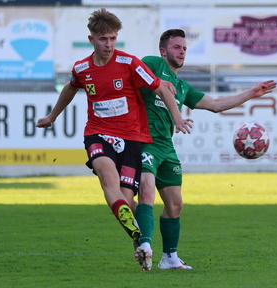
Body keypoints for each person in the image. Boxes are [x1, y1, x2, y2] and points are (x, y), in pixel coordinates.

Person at [36, 9, 193, 255]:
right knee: (106, 175)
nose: (108, 44)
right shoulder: (82, 68)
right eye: (103, 39)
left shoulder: (129, 63)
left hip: (131, 139)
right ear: (92, 40)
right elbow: (70, 87)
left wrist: (177, 117)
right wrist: (52, 116)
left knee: (128, 199)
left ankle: (139, 239)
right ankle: (138, 234)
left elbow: (160, 89)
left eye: (112, 38)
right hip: (98, 133)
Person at [133, 29, 277, 271]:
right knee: (147, 189)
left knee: (175, 205)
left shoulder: (182, 86)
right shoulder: (153, 64)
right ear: (163, 51)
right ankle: (145, 246)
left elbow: (216, 105)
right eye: (176, 47)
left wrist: (252, 93)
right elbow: (133, 77)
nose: (181, 52)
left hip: (166, 147)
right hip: (143, 141)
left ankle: (169, 258)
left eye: (184, 48)